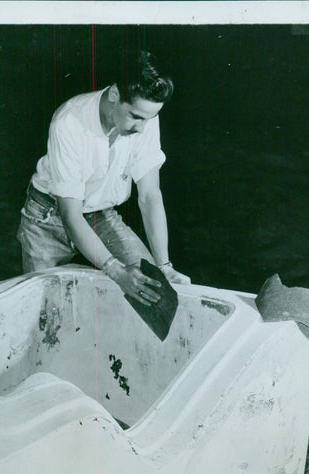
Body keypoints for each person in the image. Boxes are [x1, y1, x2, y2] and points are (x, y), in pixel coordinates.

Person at [17, 50, 190, 307]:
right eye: (135, 117)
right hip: (48, 219)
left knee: (151, 288)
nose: (141, 128)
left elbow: (150, 196)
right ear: (114, 95)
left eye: (149, 118)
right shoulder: (68, 122)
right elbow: (70, 216)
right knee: (47, 312)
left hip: (100, 214)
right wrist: (117, 272)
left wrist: (164, 266)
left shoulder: (146, 119)